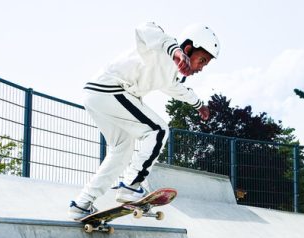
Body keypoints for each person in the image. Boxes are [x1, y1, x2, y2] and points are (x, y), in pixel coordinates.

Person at [68, 22, 220, 219]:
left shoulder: (170, 76)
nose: (201, 68)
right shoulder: (161, 47)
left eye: (205, 64)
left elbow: (177, 90)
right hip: (110, 89)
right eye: (202, 60)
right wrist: (175, 51)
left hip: (99, 97)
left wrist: (199, 105)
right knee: (158, 130)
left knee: (122, 150)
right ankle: (131, 186)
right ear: (189, 48)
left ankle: (82, 203)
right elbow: (145, 28)